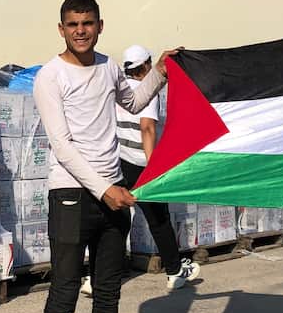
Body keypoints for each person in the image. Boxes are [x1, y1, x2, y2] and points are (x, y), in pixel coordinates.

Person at [32, 0, 175, 313]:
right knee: (65, 292)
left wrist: (162, 71)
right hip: (73, 194)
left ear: (99, 25)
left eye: (88, 23)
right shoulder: (50, 77)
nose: (81, 30)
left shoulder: (109, 66)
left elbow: (132, 104)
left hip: (110, 192)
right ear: (61, 29)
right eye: (73, 24)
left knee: (109, 290)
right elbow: (62, 147)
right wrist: (104, 189)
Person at [82, 45, 199, 297]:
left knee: (110, 221)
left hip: (118, 161)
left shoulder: (119, 88)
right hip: (140, 164)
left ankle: (94, 277)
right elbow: (147, 128)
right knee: (159, 219)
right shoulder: (149, 91)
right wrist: (153, 167)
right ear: (147, 65)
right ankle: (175, 272)